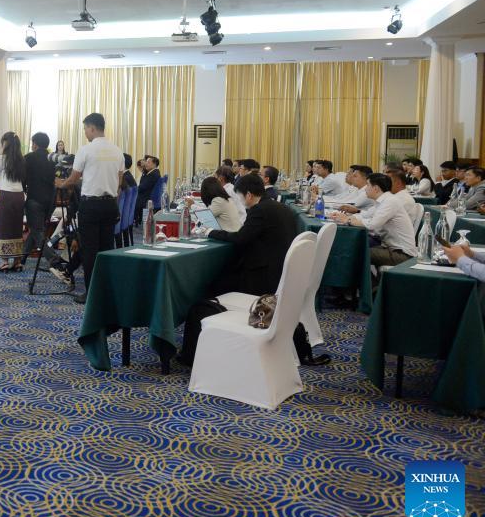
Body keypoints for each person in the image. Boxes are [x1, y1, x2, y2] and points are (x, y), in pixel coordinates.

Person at [179, 174, 329, 367]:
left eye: (240, 196)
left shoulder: (259, 211)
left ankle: (190, 356)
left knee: (205, 294)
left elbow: (240, 238)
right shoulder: (282, 208)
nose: (240, 201)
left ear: (249, 195)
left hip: (261, 281)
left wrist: (210, 232)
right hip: (278, 276)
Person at [55, 113, 123, 304]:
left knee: (89, 250)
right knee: (107, 249)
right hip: (110, 205)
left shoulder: (86, 150)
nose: (85, 132)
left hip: (91, 206)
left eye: (85, 128)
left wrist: (60, 184)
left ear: (92, 128)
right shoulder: (117, 151)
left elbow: (73, 179)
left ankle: (91, 293)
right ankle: (106, 291)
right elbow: (119, 181)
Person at [333, 173, 417, 281]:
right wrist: (346, 217)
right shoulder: (383, 201)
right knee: (353, 249)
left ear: (376, 188)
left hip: (401, 254)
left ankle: (368, 287)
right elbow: (365, 215)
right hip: (390, 248)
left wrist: (348, 220)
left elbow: (372, 224)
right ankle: (364, 286)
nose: (365, 189)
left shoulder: (390, 202)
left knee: (355, 252)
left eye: (368, 185)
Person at [0, 131, 27, 272]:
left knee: (4, 226)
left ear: (6, 143)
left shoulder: (2, 158)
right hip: (19, 195)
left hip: (6, 194)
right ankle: (17, 261)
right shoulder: (22, 159)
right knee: (17, 226)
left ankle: (5, 262)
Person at [21, 132, 57, 268]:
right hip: (50, 201)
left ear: (35, 144)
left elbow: (22, 178)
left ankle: (54, 259)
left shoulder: (28, 158)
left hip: (34, 199)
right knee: (36, 229)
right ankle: (22, 258)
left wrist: (23, 190)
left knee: (37, 231)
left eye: (32, 143)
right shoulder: (53, 158)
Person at [134, 155, 161, 225]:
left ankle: (134, 220)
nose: (146, 164)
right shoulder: (153, 172)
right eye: (146, 162)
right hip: (145, 197)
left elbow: (142, 187)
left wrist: (133, 190)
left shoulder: (153, 174)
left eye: (148, 162)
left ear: (154, 164)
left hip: (145, 199)